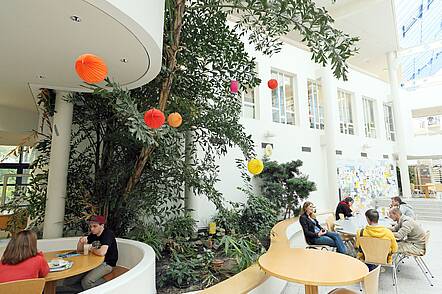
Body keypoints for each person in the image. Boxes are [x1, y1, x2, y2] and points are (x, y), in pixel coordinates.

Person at [58, 215, 118, 292]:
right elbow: (79, 250)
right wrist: (80, 241)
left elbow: (102, 252)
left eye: (94, 226)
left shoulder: (108, 234)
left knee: (86, 282)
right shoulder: (93, 234)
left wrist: (91, 248)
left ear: (102, 225)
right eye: (90, 226)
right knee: (69, 281)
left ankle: (110, 286)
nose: (92, 229)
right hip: (93, 262)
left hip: (107, 264)